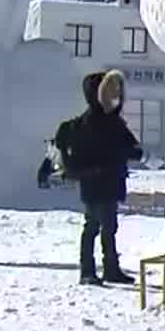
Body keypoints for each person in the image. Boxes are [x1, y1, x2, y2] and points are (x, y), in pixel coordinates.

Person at [42, 70, 142, 286]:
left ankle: (110, 269)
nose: (114, 96)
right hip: (95, 182)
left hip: (111, 181)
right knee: (94, 226)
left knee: (108, 226)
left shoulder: (112, 122)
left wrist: (131, 152)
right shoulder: (86, 124)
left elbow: (132, 148)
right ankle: (88, 270)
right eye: (108, 91)